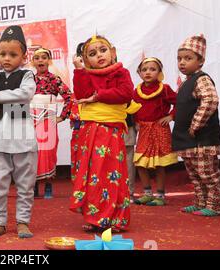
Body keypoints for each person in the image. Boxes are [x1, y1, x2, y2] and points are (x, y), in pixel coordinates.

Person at [69, 35, 138, 232]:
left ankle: (113, 219)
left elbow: (126, 93)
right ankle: (95, 217)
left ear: (113, 52)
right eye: (92, 53)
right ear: (86, 59)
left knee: (112, 173)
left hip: (110, 132)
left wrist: (98, 97)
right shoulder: (87, 74)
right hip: (90, 132)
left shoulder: (121, 72)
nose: (99, 55)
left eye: (103, 50)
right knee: (93, 174)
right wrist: (79, 70)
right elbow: (82, 95)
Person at [0, 25, 38, 238]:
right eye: (2, 54)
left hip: (22, 138)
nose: (6, 58)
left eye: (13, 54)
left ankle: (23, 222)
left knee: (25, 184)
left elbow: (26, 94)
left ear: (24, 56)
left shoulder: (27, 75)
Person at [172, 34, 220, 217]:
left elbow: (210, 100)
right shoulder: (187, 82)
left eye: (188, 58)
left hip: (201, 139)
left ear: (200, 61)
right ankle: (200, 202)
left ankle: (215, 205)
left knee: (207, 174)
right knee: (195, 175)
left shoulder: (201, 79)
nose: (182, 62)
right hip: (188, 141)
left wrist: (196, 125)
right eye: (179, 59)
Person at [133, 57, 178, 206]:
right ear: (139, 73)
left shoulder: (164, 89)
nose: (148, 72)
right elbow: (132, 109)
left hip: (159, 129)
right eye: (144, 70)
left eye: (152, 69)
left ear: (159, 72)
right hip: (144, 130)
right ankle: (147, 193)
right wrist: (136, 122)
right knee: (140, 163)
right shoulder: (137, 91)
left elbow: (178, 102)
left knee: (159, 164)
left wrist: (171, 116)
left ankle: (160, 195)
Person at [30, 48, 72, 199]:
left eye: (43, 57)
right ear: (32, 62)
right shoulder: (29, 80)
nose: (40, 60)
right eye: (37, 58)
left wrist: (62, 116)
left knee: (48, 152)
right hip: (32, 119)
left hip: (48, 120)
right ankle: (33, 185)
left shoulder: (55, 79)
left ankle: (48, 184)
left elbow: (69, 97)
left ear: (49, 61)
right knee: (33, 152)